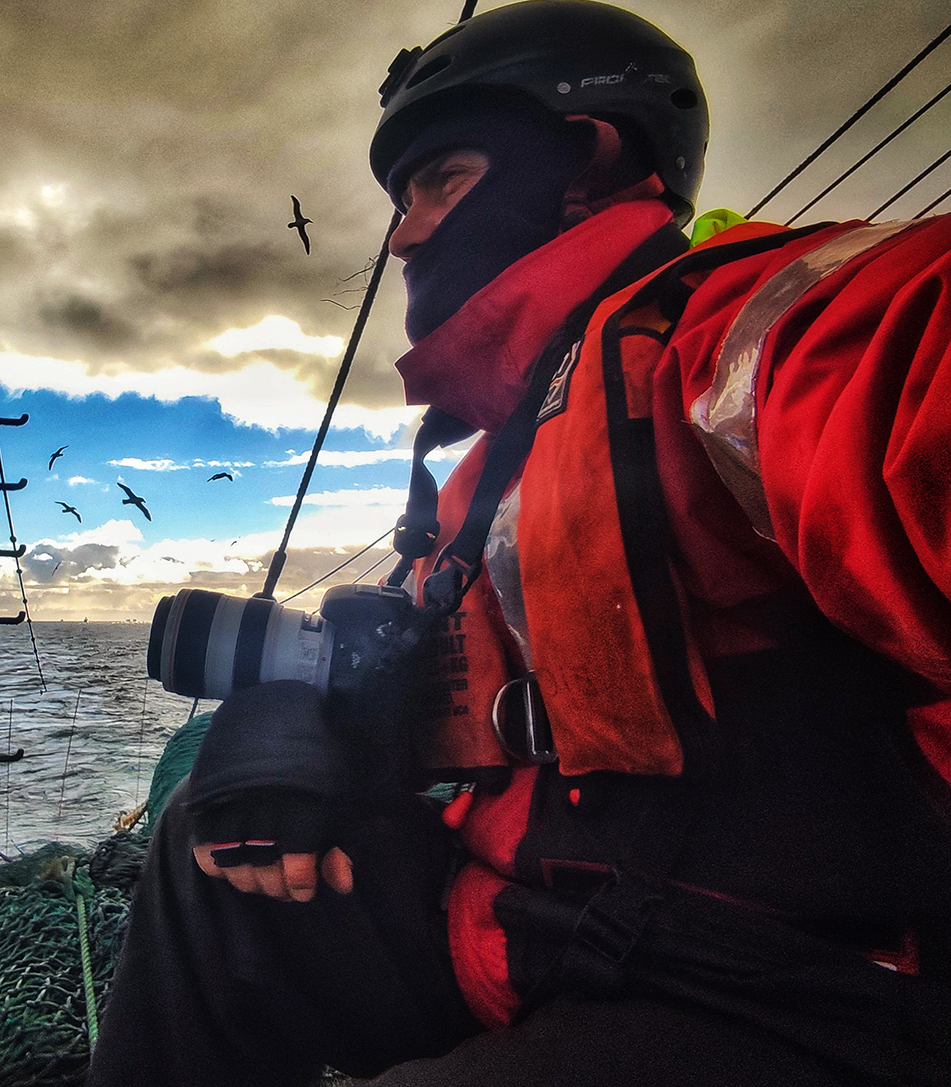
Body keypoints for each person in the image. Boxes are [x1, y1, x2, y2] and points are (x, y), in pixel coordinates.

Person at [86, 2, 951, 1084]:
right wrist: (285, 739)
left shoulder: (730, 336)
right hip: (529, 932)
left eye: (440, 180)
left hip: (779, 990)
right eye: (401, 203)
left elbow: (903, 376)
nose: (402, 235)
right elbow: (410, 689)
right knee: (206, 866)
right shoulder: (481, 473)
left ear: (585, 157)